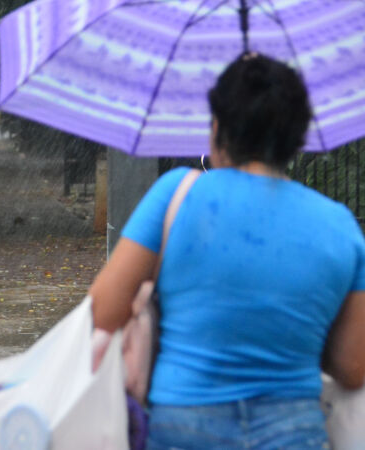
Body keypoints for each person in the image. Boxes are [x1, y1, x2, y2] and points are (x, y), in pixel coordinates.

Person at [89, 53, 365, 448]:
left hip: (182, 430)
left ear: (217, 127)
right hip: (293, 432)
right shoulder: (340, 225)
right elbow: (354, 366)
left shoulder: (176, 195)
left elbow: (102, 310)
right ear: (295, 137)